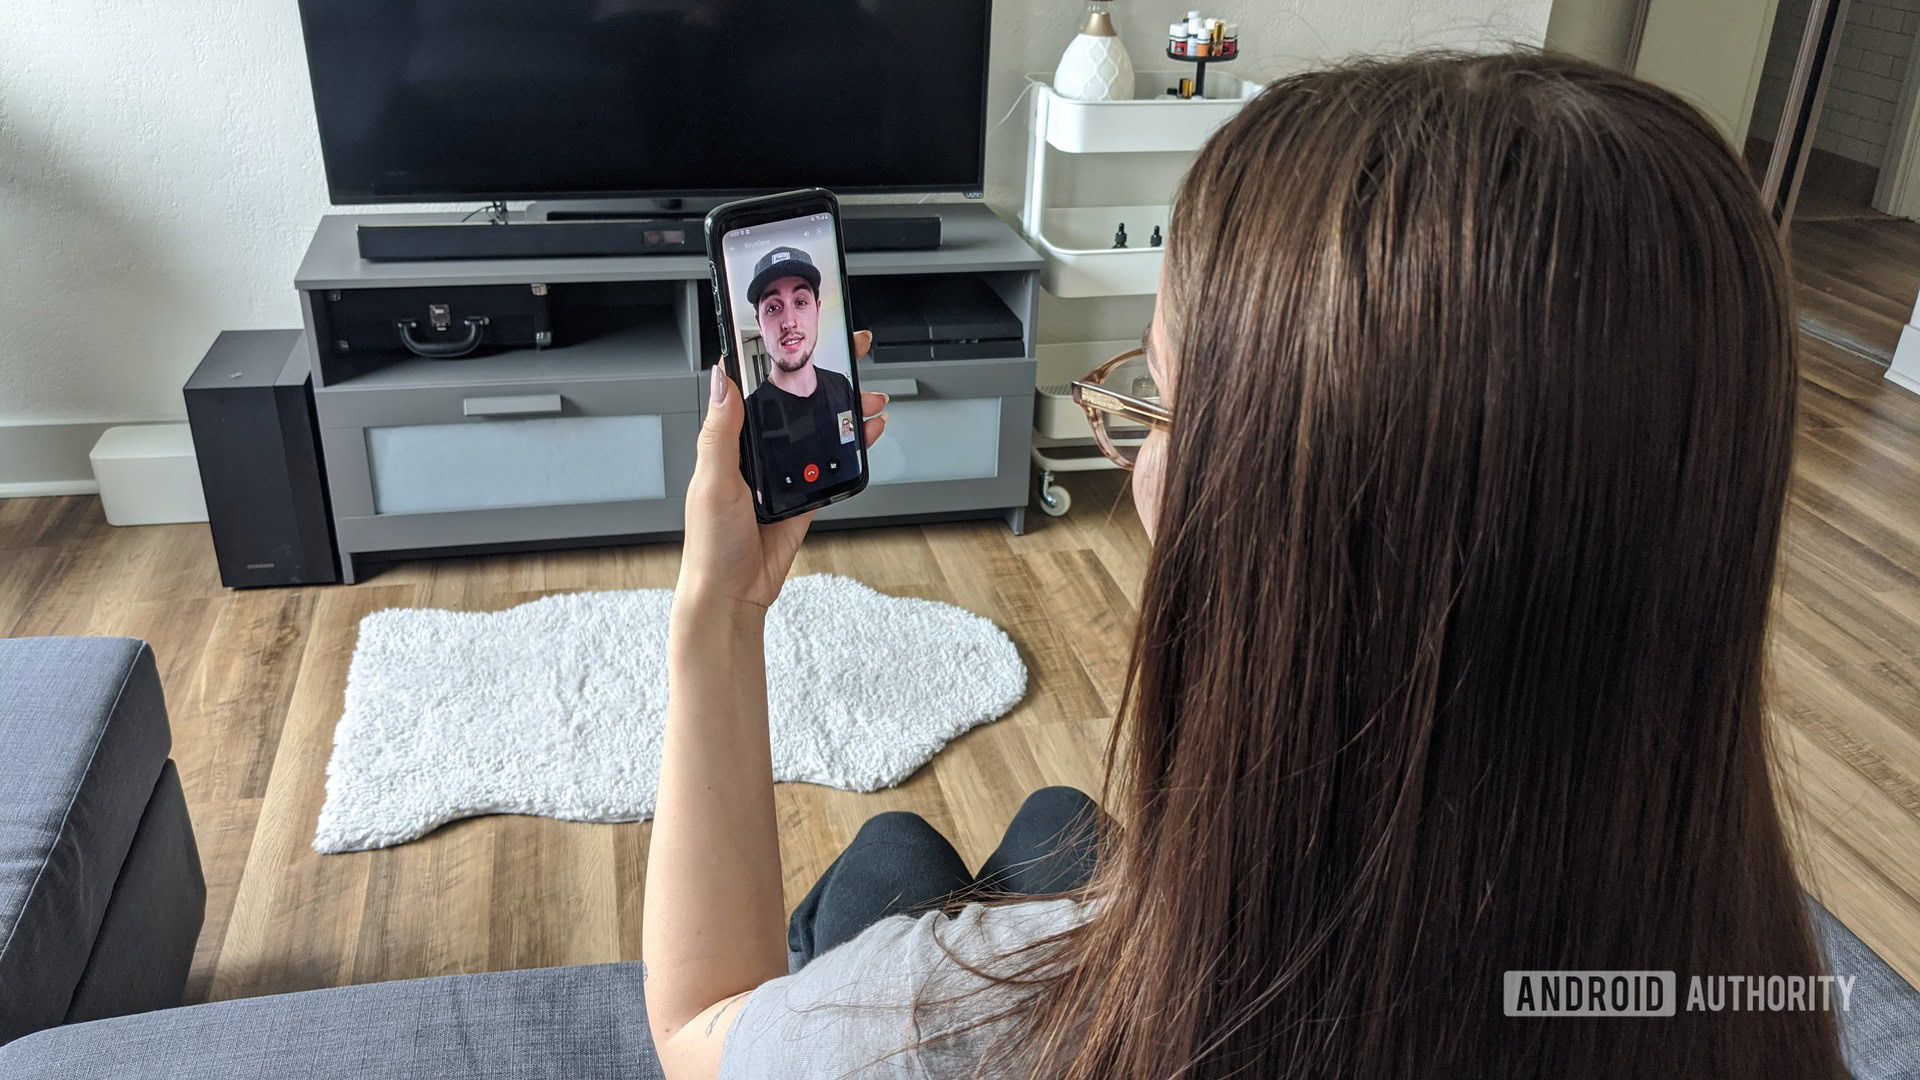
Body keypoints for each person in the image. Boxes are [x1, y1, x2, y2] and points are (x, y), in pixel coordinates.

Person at [643, 52, 1851, 1079]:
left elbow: (695, 1026)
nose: (1133, 438)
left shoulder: (962, 1021)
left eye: (1158, 394)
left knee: (892, 856)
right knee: (1062, 822)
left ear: (1295, 524)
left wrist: (723, 605)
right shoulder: (1746, 995)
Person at [741, 246, 861, 495]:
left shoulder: (841, 385)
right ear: (759, 324)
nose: (789, 322)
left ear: (817, 309)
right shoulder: (747, 415)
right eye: (773, 308)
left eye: (801, 302)